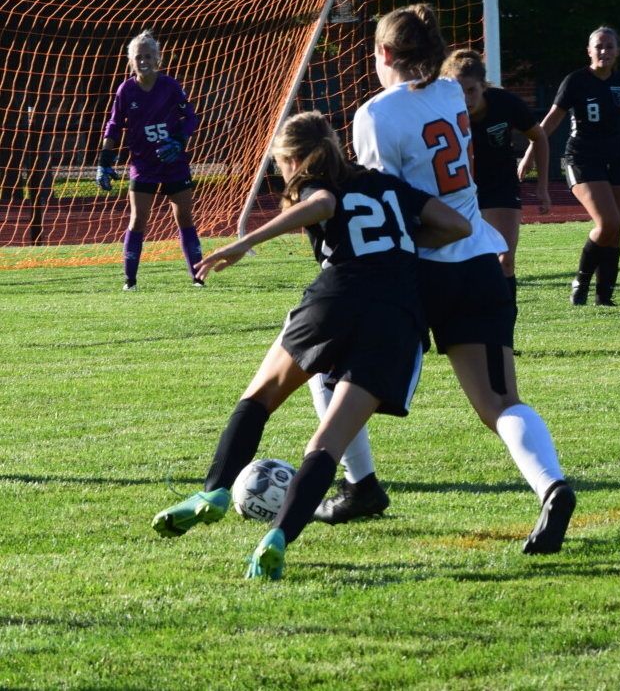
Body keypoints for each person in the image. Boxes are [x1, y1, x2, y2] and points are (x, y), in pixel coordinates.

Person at [151, 110, 471, 581]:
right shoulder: (388, 184)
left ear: (294, 160)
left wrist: (245, 242)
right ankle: (279, 536)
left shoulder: (317, 183)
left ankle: (213, 490)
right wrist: (400, 241)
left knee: (259, 397)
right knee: (328, 442)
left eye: (281, 165)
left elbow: (321, 205)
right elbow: (458, 226)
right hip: (396, 320)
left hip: (335, 300)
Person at [316, 3, 576, 555]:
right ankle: (551, 486)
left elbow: (386, 204)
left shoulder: (375, 114)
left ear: (384, 53)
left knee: (330, 370)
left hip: (417, 272)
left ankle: (359, 486)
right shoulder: (452, 93)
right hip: (478, 259)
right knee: (499, 402)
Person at [519, 26, 620, 306]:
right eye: (599, 46)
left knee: (617, 230)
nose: (604, 51)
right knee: (607, 223)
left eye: (609, 46)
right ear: (589, 51)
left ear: (618, 51)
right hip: (582, 158)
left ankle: (604, 297)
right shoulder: (576, 81)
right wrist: (530, 153)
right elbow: (551, 120)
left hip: (615, 159)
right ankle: (580, 282)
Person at [440, 49, 550, 322]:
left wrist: (542, 186)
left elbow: (539, 137)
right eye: (459, 92)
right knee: (462, 264)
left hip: (500, 186)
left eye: (471, 91)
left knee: (505, 259)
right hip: (458, 191)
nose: (466, 99)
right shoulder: (440, 110)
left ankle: (504, 327)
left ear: (483, 86)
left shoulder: (505, 103)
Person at [95, 29, 203, 290]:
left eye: (148, 56)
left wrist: (178, 140)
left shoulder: (170, 85)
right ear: (131, 61)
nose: (143, 61)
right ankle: (130, 282)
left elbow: (191, 117)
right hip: (142, 165)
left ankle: (198, 278)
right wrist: (104, 160)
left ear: (157, 59)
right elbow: (114, 124)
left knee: (184, 217)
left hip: (174, 163)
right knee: (138, 219)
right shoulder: (126, 90)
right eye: (138, 57)